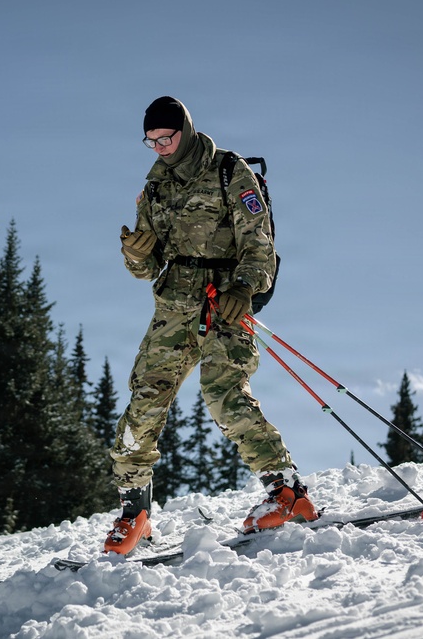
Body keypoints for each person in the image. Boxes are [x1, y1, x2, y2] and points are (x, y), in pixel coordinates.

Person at [104, 96, 318, 555]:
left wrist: (244, 288)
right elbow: (147, 266)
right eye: (151, 141)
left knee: (223, 393)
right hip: (175, 304)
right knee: (143, 401)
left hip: (223, 299)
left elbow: (259, 242)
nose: (160, 147)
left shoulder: (228, 171)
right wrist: (137, 255)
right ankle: (134, 514)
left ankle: (287, 493)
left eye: (167, 138)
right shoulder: (155, 187)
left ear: (185, 128)